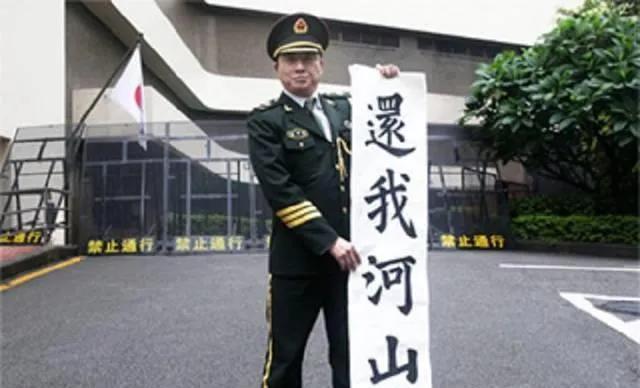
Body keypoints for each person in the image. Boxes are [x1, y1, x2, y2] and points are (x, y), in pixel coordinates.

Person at [247, 12, 399, 388]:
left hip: (350, 263)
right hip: (298, 262)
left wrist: (387, 84)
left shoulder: (345, 109)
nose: (300, 67)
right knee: (285, 358)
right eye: (290, 60)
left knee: (350, 355)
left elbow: (388, 126)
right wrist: (329, 241)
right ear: (277, 67)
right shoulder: (266, 122)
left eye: (308, 58)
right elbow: (281, 192)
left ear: (321, 63)